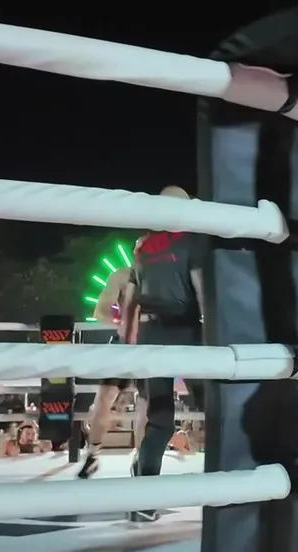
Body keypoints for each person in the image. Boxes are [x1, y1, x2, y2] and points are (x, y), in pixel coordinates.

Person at [119, 185, 207, 522]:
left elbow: (130, 298)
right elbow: (202, 290)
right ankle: (232, 490)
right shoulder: (191, 241)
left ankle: (144, 498)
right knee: (215, 407)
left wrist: (128, 344)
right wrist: (216, 335)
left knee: (159, 419)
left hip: (150, 333)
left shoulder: (142, 246)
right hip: (186, 330)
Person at [77, 265, 136, 479]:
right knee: (104, 399)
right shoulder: (122, 275)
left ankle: (142, 458)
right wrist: (121, 324)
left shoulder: (164, 274)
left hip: (153, 342)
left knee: (148, 403)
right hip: (124, 343)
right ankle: (93, 455)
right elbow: (100, 310)